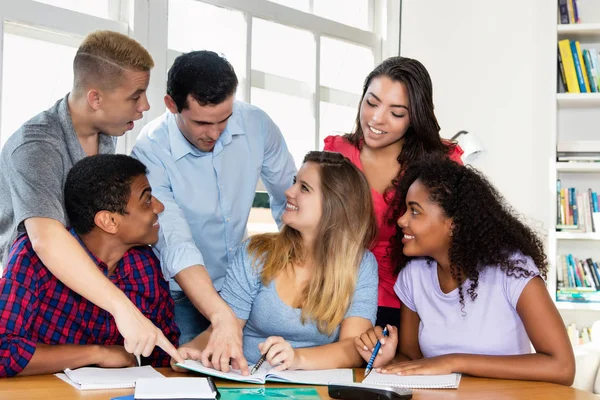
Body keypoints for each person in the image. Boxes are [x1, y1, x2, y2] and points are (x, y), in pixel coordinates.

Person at [0, 30, 182, 363]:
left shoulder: (106, 136)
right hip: (25, 304)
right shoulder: (35, 147)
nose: (145, 106)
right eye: (135, 95)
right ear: (95, 98)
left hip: (80, 299)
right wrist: (123, 309)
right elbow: (46, 240)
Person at [131, 50, 296, 372]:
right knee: (187, 376)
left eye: (224, 119)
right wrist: (221, 316)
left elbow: (288, 200)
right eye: (202, 122)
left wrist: (298, 270)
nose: (215, 132)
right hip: (181, 294)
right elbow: (174, 239)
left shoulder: (257, 124)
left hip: (243, 285)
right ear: (171, 105)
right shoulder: (150, 149)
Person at [354, 157, 575, 386]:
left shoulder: (512, 271)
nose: (401, 220)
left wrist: (454, 362)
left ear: (454, 223)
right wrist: (387, 360)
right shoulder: (414, 276)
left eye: (414, 211)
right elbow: (412, 359)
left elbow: (562, 367)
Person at [172, 151, 378, 372]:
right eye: (294, 183)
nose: (289, 192)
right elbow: (222, 330)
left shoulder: (361, 264)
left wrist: (296, 358)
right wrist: (189, 354)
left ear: (336, 205)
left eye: (304, 188)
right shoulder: (255, 252)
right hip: (249, 384)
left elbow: (354, 348)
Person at [0, 154, 180, 377]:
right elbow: (3, 352)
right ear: (109, 221)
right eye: (147, 200)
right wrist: (98, 354)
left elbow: (162, 352)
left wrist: (187, 357)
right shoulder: (32, 257)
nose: (159, 207)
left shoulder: (145, 265)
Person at [324, 56, 463, 330]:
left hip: (414, 302)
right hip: (342, 296)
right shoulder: (336, 153)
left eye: (396, 113)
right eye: (371, 103)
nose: (377, 119)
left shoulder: (442, 161)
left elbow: (454, 240)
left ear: (414, 118)